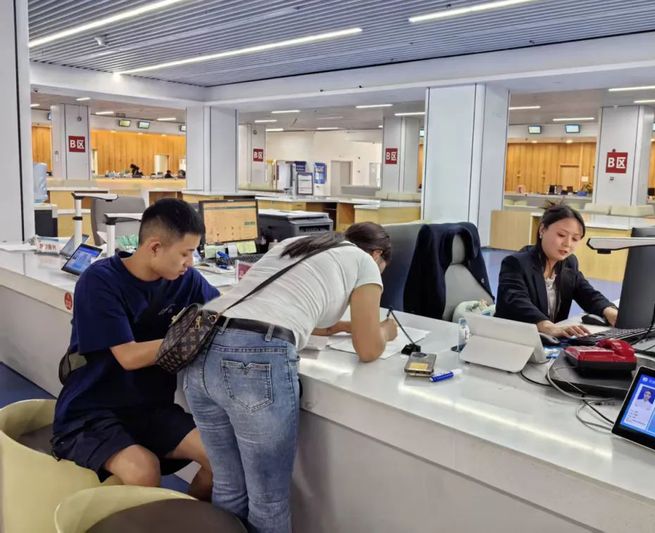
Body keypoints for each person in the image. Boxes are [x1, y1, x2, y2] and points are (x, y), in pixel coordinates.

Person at [184, 222, 398, 533]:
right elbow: (368, 349)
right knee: (267, 502)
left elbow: (284, 306)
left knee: (229, 485)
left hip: (203, 348)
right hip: (254, 359)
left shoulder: (300, 244)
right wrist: (385, 330)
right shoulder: (365, 263)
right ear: (377, 254)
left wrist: (343, 326)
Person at [52, 199, 220, 499]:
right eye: (185, 253)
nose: (190, 263)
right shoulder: (99, 281)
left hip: (150, 409)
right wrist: (188, 336)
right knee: (144, 470)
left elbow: (227, 312)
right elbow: (128, 357)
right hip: (92, 410)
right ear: (155, 247)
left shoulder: (187, 281)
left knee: (220, 458)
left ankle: (190, 516)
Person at [495, 204, 617, 338]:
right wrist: (547, 327)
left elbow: (587, 294)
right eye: (561, 235)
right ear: (542, 230)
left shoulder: (569, 263)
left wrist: (609, 311)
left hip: (548, 342)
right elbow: (517, 302)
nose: (568, 243)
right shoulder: (515, 263)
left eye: (575, 239)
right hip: (513, 339)